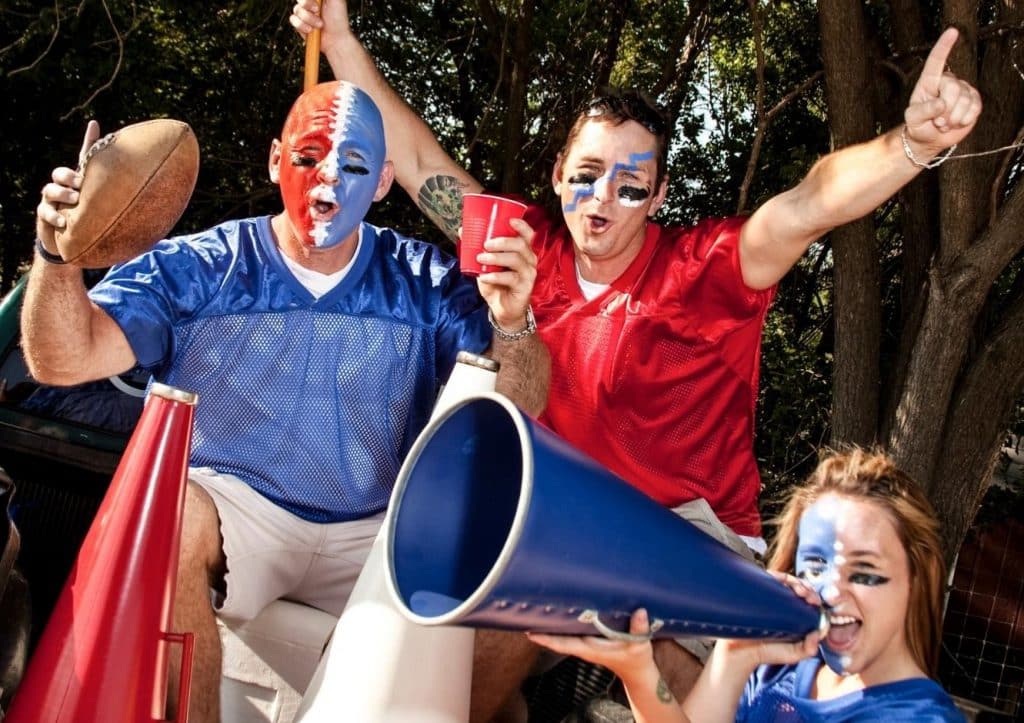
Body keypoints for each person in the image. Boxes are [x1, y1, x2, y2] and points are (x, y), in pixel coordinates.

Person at [290, 2, 981, 716]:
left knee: (675, 666)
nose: (601, 202)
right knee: (477, 635)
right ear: (558, 175)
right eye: (586, 175)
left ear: (657, 196)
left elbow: (808, 204)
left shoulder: (704, 269)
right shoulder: (529, 251)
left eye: (628, 188)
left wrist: (911, 142)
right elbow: (417, 159)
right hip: (566, 528)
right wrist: (338, 38)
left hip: (689, 535)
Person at [24, 80, 549, 722]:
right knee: (167, 512)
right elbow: (61, 359)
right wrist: (55, 254)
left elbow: (520, 402)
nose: (328, 178)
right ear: (275, 160)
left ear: (383, 181)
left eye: (353, 165)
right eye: (307, 157)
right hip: (239, 510)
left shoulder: (425, 281)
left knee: (518, 602)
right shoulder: (202, 266)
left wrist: (514, 319)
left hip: (377, 523)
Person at [529, 448, 966, 722]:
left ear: (916, 577)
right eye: (814, 565)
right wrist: (643, 670)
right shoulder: (778, 667)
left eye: (865, 572)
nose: (831, 592)